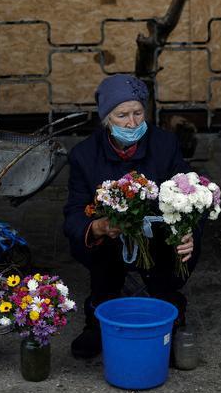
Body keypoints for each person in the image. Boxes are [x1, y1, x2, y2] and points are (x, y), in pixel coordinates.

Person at [62, 74, 201, 367]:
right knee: (99, 249)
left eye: (137, 113)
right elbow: (73, 213)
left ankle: (168, 311)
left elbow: (189, 190)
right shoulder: (84, 155)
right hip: (111, 242)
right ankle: (98, 317)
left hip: (159, 237)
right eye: (121, 115)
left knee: (175, 249)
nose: (131, 123)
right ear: (106, 119)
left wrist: (188, 229)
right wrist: (98, 227)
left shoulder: (165, 144)